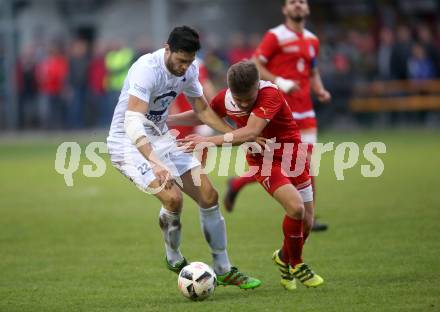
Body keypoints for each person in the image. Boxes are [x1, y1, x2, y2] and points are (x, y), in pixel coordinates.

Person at [106, 26, 261, 290]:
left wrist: (236, 135)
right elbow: (133, 121)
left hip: (161, 137)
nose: (184, 68)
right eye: (180, 61)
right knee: (173, 199)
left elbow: (201, 108)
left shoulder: (189, 70)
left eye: (189, 62)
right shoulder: (147, 69)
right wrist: (154, 161)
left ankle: (223, 269)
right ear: (167, 49)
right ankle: (173, 256)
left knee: (209, 196)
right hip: (128, 143)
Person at [175, 61, 324, 290]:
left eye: (248, 98)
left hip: (294, 156)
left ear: (257, 86)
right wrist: (164, 120)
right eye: (238, 99)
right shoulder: (225, 98)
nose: (243, 104)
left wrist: (208, 140)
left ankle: (283, 258)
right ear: (229, 89)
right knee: (295, 209)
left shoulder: (270, 94)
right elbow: (201, 115)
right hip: (263, 161)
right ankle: (297, 263)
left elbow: (251, 131)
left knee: (307, 222)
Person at [224, 0, 331, 232]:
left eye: (301, 2)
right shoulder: (275, 36)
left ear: (307, 8)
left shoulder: (313, 39)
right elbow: (254, 64)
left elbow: (312, 70)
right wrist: (280, 81)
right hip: (277, 113)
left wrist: (319, 89)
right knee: (277, 163)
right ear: (285, 9)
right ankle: (239, 183)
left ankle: (308, 217)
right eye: (292, 2)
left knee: (305, 163)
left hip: (306, 112)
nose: (298, 6)